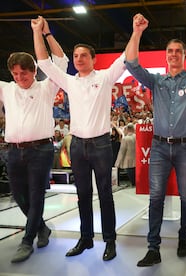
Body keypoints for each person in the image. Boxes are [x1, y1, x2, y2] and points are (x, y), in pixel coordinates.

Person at [32, 15, 129, 261]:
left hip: (100, 144)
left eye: (83, 55)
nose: (78, 59)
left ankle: (110, 241)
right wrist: (40, 32)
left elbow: (126, 58)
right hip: (77, 145)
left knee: (105, 194)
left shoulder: (105, 77)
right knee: (82, 195)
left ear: (93, 59)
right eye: (75, 56)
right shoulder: (69, 81)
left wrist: (136, 31)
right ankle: (85, 239)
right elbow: (44, 62)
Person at [124, 14, 186, 266]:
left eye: (178, 51)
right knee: (155, 197)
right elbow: (131, 64)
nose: (173, 54)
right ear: (166, 56)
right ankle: (153, 247)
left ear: (184, 56)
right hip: (160, 146)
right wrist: (137, 32)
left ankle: (183, 236)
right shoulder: (157, 81)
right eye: (170, 51)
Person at [2, 17, 68, 263]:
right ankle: (41, 227)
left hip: (40, 150)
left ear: (34, 71)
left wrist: (43, 33)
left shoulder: (45, 87)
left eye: (24, 73)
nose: (20, 77)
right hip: (12, 151)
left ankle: (27, 240)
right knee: (20, 196)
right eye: (15, 73)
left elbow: (61, 61)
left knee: (36, 195)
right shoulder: (7, 88)